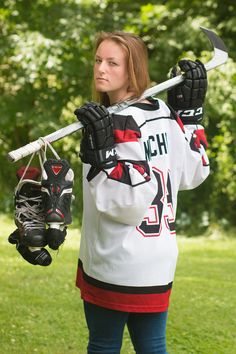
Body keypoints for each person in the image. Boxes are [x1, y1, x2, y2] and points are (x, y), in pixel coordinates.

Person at [74, 31, 209, 354]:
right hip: (159, 258)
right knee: (152, 346)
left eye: (112, 63)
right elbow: (196, 172)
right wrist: (189, 119)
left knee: (104, 345)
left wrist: (103, 161)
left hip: (116, 257)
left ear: (133, 68)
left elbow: (126, 206)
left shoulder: (117, 120)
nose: (101, 70)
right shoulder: (163, 112)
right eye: (98, 61)